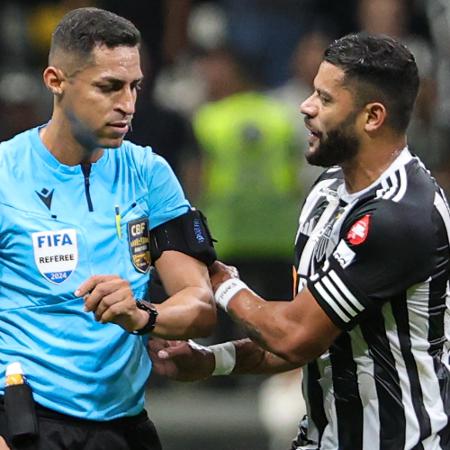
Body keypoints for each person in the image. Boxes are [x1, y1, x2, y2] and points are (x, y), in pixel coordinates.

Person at [149, 33, 450, 450]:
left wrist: (221, 283)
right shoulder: (326, 193)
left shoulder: (403, 215)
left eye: (325, 99)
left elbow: (294, 334)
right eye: (312, 92)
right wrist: (209, 360)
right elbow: (304, 340)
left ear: (373, 117)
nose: (306, 107)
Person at [0, 7, 216, 450]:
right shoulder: (4, 174)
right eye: (109, 87)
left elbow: (200, 306)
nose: (128, 104)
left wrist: (144, 315)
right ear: (55, 81)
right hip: (27, 424)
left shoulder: (149, 172)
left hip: (125, 425)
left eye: (134, 85)